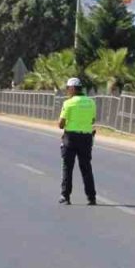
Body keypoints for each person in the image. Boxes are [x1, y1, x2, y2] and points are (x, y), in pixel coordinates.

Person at [58, 77, 97, 206]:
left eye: (68, 88)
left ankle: (65, 196)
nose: (67, 91)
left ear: (73, 89)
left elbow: (61, 124)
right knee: (86, 167)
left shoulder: (68, 103)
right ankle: (91, 197)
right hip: (86, 138)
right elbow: (92, 120)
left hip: (71, 138)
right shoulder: (91, 102)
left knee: (67, 167)